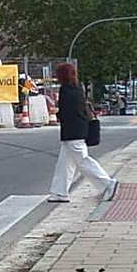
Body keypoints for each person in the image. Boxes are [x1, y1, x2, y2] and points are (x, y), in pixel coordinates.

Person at [47, 61, 117, 204]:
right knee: (64, 164)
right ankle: (60, 192)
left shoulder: (65, 90)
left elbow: (66, 112)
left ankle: (107, 183)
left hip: (72, 132)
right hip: (79, 130)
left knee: (83, 161)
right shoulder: (78, 87)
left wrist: (56, 112)